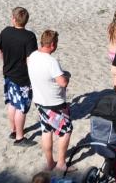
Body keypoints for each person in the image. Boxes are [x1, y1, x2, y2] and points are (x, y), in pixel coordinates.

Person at [27, 29, 72, 175]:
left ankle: (49, 162)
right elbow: (63, 83)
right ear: (52, 44)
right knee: (66, 131)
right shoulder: (51, 62)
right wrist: (67, 76)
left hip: (39, 100)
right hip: (54, 103)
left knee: (46, 131)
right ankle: (61, 163)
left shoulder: (33, 55)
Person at [0, 6, 39, 145]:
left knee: (12, 104)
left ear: (14, 19)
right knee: (21, 107)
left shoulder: (6, 31)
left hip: (8, 74)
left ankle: (13, 130)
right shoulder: (29, 37)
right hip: (22, 78)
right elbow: (30, 59)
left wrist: (5, 60)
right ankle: (20, 137)